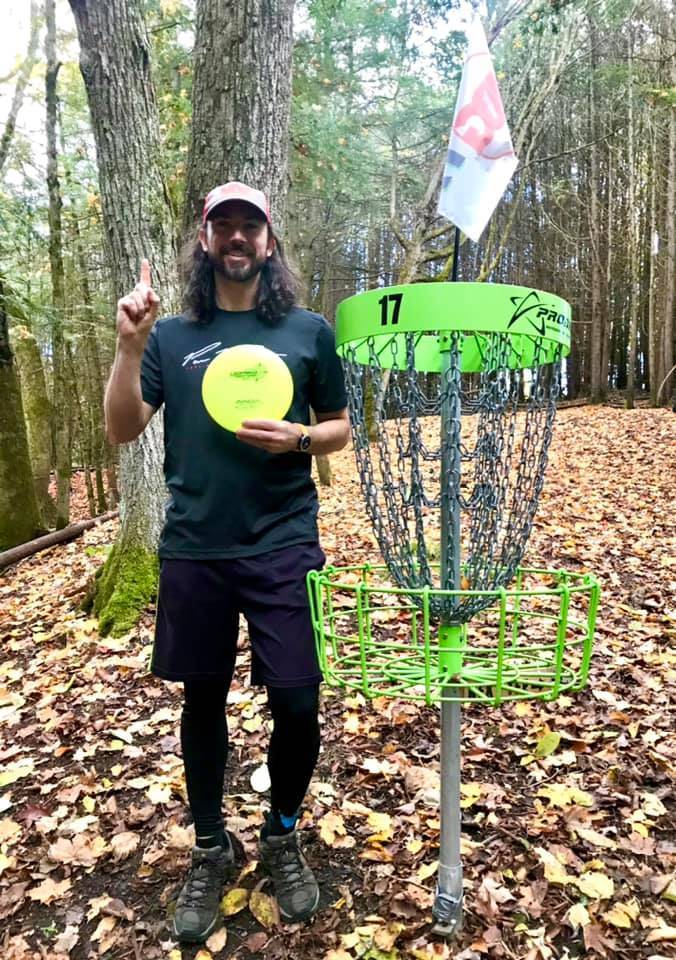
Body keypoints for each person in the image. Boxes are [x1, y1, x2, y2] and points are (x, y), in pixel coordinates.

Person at [104, 181, 350, 944]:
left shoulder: (307, 332)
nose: (237, 237)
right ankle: (211, 846)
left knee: (299, 701)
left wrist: (299, 439)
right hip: (197, 547)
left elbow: (340, 426)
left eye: (250, 225)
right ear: (205, 241)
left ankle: (282, 831)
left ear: (270, 243)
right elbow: (121, 429)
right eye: (223, 226)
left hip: (284, 541)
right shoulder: (172, 336)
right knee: (202, 702)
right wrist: (129, 345)